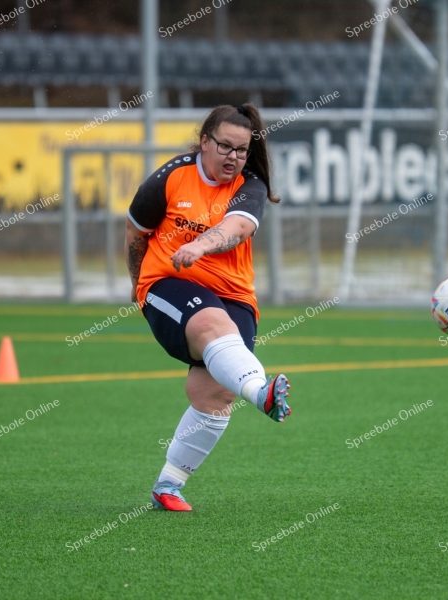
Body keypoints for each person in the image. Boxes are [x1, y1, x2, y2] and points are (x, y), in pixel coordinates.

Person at [124, 104, 291, 512]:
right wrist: (137, 284)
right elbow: (136, 230)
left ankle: (169, 485)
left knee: (213, 393)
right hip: (167, 282)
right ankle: (261, 391)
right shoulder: (170, 177)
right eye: (225, 146)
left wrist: (200, 244)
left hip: (234, 295)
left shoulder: (250, 186)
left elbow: (236, 229)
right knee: (212, 324)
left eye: (242, 150)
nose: (233, 157)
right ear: (205, 142)